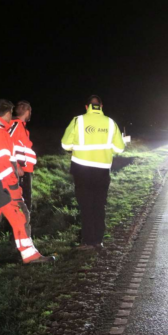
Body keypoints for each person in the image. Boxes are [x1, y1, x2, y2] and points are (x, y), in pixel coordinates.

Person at [0, 99, 54, 265]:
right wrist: (13, 186)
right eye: (11, 113)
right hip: (1, 184)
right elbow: (3, 163)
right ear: (7, 113)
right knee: (19, 217)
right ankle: (30, 255)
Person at [61, 95, 125, 250]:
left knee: (86, 205)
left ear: (86, 107)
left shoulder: (78, 121)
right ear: (101, 106)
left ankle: (88, 241)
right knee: (99, 204)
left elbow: (65, 144)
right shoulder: (110, 122)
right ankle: (98, 240)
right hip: (102, 170)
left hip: (81, 169)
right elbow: (119, 149)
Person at [9, 101, 36, 213]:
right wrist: (16, 165)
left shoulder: (21, 126)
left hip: (24, 170)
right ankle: (21, 226)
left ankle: (23, 225)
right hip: (19, 171)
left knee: (24, 200)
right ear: (27, 111)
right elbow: (5, 143)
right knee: (21, 201)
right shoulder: (15, 125)